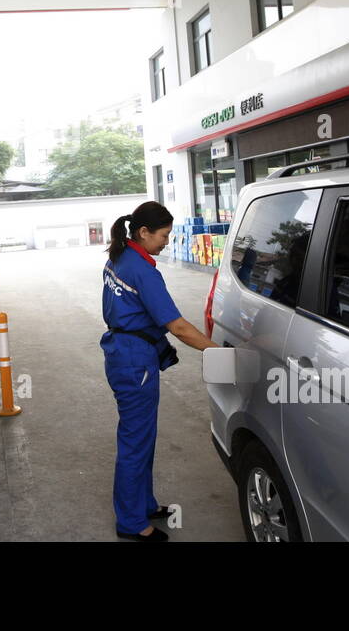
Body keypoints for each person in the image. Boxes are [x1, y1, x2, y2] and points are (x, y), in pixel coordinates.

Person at [100, 200, 218, 541]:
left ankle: (144, 503)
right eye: (164, 235)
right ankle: (131, 522)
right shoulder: (143, 271)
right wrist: (220, 353)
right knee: (135, 442)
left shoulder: (119, 257)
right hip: (135, 362)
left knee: (143, 437)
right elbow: (178, 327)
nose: (167, 241)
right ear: (144, 232)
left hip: (124, 352)